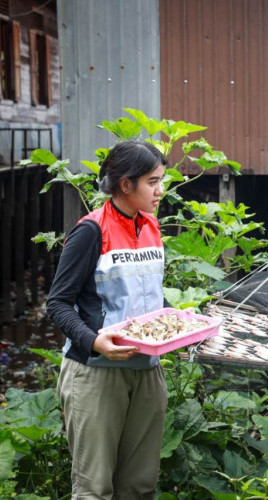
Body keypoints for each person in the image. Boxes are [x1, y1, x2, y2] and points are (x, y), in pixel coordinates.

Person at [47, 140, 169, 499]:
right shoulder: (91, 231)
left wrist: (180, 327)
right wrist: (93, 340)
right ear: (126, 184)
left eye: (162, 180)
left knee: (140, 486)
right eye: (153, 181)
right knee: (94, 488)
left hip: (147, 369)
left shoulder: (150, 225)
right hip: (97, 372)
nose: (160, 190)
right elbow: (58, 303)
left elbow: (150, 296)